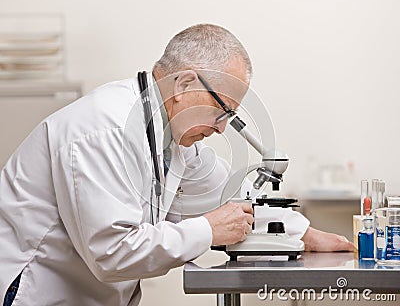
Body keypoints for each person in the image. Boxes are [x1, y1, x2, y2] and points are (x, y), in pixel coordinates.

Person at [0, 24, 353, 306]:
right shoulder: (102, 129)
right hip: (37, 294)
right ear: (184, 83)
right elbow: (113, 254)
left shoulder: (172, 137)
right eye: (221, 111)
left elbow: (225, 194)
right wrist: (208, 230)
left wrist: (304, 233)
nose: (221, 129)